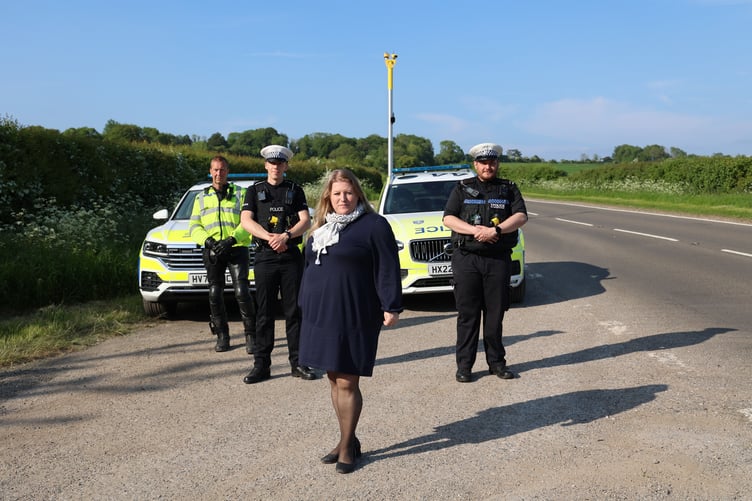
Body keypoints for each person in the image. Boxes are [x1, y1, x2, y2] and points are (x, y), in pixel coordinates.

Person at [298, 169, 403, 474]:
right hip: (321, 314)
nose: (342, 199)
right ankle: (348, 438)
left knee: (347, 379)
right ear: (327, 198)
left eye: (348, 192)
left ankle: (347, 448)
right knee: (333, 377)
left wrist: (391, 305)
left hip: (355, 312)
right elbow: (308, 269)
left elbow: (387, 267)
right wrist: (304, 302)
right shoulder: (319, 228)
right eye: (336, 194)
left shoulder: (374, 225)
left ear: (357, 194)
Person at [442, 143, 528, 383]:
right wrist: (476, 231)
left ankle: (497, 363)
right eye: (483, 162)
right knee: (467, 315)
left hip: (497, 259)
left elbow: (521, 216)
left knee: (495, 315)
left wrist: (496, 230)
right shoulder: (462, 188)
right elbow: (448, 218)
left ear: (497, 164)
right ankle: (465, 366)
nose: (488, 166)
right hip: (467, 259)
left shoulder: (508, 189)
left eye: (492, 162)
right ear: (475, 165)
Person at [240, 145, 315, 384]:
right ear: (266, 165)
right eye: (272, 163)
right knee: (264, 312)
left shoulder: (296, 190)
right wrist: (270, 238)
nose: (276, 167)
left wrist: (286, 236)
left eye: (280, 163)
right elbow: (245, 220)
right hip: (265, 257)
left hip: (291, 256)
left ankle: (299, 363)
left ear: (286, 166)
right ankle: (261, 365)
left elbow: (305, 220)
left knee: (294, 312)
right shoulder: (254, 191)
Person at [189, 155, 256, 353]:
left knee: (242, 292)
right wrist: (208, 241)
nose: (219, 173)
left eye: (223, 169)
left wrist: (232, 239)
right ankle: (222, 335)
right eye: (215, 170)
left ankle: (251, 335)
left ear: (228, 171)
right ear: (210, 172)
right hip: (213, 251)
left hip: (236, 248)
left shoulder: (241, 193)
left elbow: (248, 220)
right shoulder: (200, 197)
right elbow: (194, 225)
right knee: (214, 293)